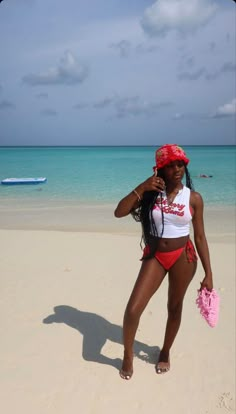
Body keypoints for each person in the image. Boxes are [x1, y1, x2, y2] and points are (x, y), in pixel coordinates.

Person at [114, 144, 213, 380]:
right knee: (133, 309)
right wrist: (142, 186)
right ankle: (128, 354)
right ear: (160, 169)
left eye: (180, 164)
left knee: (174, 307)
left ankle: (165, 351)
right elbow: (119, 211)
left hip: (183, 257)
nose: (176, 169)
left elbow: (199, 236)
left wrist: (209, 273)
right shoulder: (150, 193)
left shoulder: (194, 198)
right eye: (170, 165)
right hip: (156, 256)